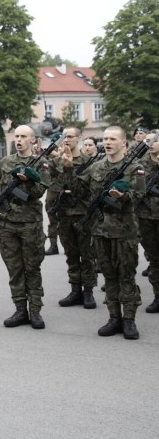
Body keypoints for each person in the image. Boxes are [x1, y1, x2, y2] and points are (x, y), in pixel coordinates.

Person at [62, 126, 146, 339]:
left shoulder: (135, 167)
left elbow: (139, 194)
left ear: (123, 143)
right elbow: (79, 191)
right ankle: (113, 318)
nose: (107, 143)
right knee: (109, 276)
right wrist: (69, 169)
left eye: (112, 139)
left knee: (125, 276)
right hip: (100, 231)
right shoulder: (96, 167)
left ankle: (129, 320)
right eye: (105, 139)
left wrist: (123, 197)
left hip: (125, 232)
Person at [0, 125, 51, 330]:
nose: (19, 139)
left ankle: (35, 310)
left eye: (23, 136)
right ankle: (20, 309)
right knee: (15, 269)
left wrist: (28, 182)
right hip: (8, 224)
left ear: (33, 140)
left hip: (30, 225)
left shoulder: (41, 164)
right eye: (17, 136)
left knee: (32, 268)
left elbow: (38, 192)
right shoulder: (6, 162)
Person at [49, 127, 97, 309]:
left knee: (87, 254)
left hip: (82, 213)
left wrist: (69, 169)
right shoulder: (56, 162)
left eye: (70, 136)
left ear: (79, 138)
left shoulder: (88, 162)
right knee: (71, 254)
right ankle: (75, 289)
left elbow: (85, 190)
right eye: (64, 137)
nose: (66, 139)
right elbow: (50, 183)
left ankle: (88, 291)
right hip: (63, 214)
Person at [138, 131, 159, 312]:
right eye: (149, 141)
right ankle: (158, 295)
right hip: (145, 216)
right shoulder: (141, 163)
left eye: (155, 141)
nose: (151, 144)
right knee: (153, 258)